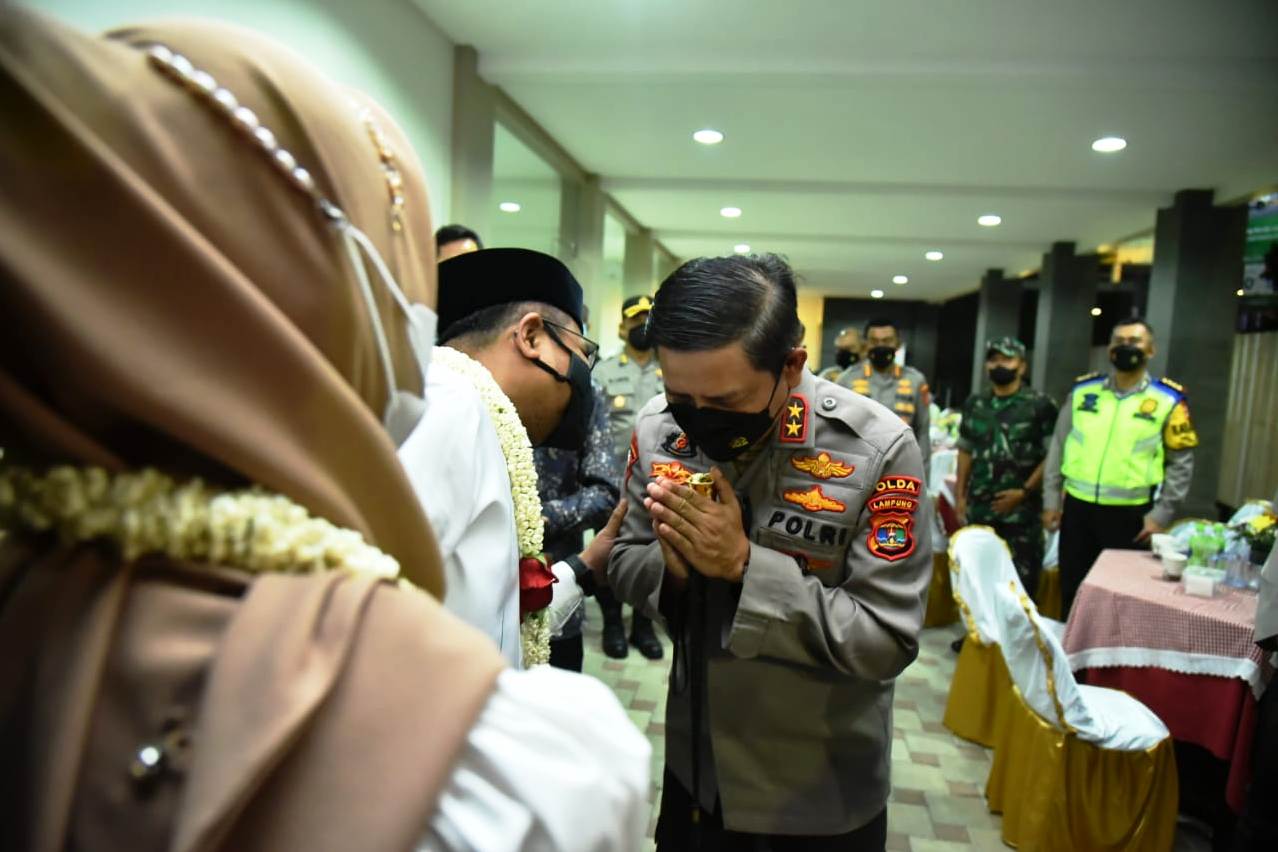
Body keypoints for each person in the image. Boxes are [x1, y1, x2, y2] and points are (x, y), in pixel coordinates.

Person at [0, 9, 649, 850]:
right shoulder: (509, 768)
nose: (415, 318)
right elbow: (426, 603)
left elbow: (477, 596)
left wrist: (575, 576)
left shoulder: (42, 584)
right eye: (393, 268)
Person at [609, 253, 931, 849]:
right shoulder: (658, 428)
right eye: (681, 396)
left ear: (791, 366)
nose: (698, 422)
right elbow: (625, 556)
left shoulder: (877, 449)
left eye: (725, 404)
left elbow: (887, 639)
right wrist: (672, 570)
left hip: (816, 794)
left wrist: (744, 567)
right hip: (695, 777)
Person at [398, 247, 625, 667]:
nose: (582, 377)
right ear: (532, 337)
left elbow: (493, 618)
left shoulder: (481, 417)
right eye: (580, 352)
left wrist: (587, 565)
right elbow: (380, 617)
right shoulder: (449, 406)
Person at [1043, 318, 1198, 616]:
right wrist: (1051, 500)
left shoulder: (1168, 400)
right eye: (1119, 341)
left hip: (1130, 517)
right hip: (1076, 511)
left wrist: (1161, 514)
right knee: (1073, 589)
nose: (1126, 347)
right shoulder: (1083, 393)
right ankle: (1071, 661)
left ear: (1150, 350)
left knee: (1117, 597)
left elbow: (1181, 463)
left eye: (1135, 342)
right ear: (1110, 349)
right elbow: (1058, 448)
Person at [955, 337, 1059, 596]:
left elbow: (1053, 457)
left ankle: (1020, 637)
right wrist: (960, 495)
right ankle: (978, 637)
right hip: (980, 506)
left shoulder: (1040, 405)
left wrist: (1023, 491)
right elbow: (965, 451)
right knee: (977, 578)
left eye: (1007, 359)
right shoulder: (975, 404)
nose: (999, 365)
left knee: (1020, 583)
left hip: (1022, 513)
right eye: (994, 360)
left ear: (1021, 366)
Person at [592, 294, 666, 659]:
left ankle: (643, 625)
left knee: (653, 553)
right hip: (612, 484)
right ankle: (612, 623)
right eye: (634, 321)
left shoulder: (671, 368)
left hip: (659, 483)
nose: (641, 328)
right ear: (622, 327)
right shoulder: (603, 372)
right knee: (607, 553)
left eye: (648, 320)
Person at [533, 381, 621, 671]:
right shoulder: (464, 391)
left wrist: (536, 519)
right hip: (481, 608)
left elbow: (607, 493)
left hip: (559, 588)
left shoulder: (582, 392)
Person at [838, 317, 932, 475]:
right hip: (858, 468)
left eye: (887, 340)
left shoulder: (916, 381)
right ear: (866, 344)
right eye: (874, 341)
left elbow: (923, 432)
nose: (881, 346)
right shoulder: (846, 380)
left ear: (898, 344)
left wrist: (923, 478)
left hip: (902, 469)